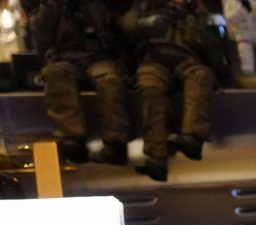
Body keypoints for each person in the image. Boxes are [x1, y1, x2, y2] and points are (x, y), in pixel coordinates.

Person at [119, 0, 217, 181]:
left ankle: (193, 137)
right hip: (154, 59)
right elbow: (125, 25)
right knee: (150, 87)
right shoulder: (145, 6)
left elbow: (210, 43)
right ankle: (156, 156)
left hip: (187, 59)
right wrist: (144, 23)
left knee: (201, 76)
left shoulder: (193, 11)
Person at [31, 0, 131, 164]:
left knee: (109, 80)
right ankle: (72, 139)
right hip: (67, 57)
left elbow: (123, 26)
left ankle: (116, 142)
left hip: (101, 56)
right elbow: (42, 32)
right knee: (55, 74)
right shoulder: (54, 6)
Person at [222, 0, 256, 77]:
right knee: (244, 50)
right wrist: (242, 9)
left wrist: (254, 6)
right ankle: (247, 69)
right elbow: (229, 18)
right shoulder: (231, 2)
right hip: (243, 32)